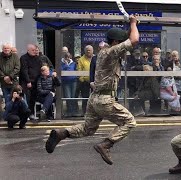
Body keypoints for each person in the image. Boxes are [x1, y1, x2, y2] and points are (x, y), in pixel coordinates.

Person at [45, 15, 139, 165]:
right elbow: (134, 40)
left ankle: (61, 134)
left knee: (88, 129)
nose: (123, 45)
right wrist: (133, 23)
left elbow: (129, 38)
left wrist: (132, 25)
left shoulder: (104, 51)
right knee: (129, 122)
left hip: (94, 98)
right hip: (105, 100)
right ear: (115, 42)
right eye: (120, 42)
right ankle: (106, 145)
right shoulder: (111, 52)